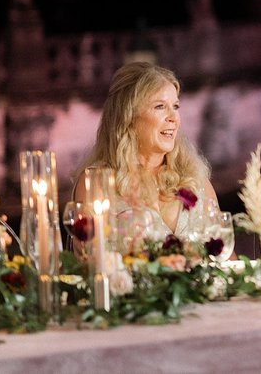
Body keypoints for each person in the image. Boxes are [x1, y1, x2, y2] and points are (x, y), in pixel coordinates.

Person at [73, 62, 221, 243]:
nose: (173, 118)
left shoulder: (195, 179)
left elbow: (226, 256)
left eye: (175, 106)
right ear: (128, 116)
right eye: (160, 107)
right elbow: (87, 262)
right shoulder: (96, 185)